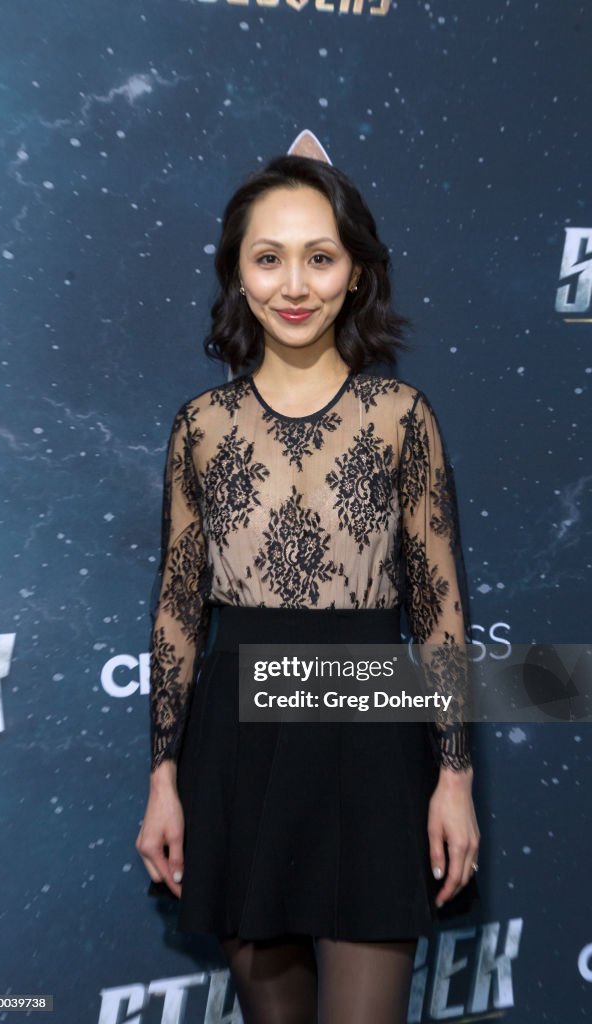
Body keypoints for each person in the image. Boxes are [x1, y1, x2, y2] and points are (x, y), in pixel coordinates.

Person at [136, 153, 481, 1024]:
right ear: (237, 272)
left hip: (369, 731)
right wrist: (164, 778)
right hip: (238, 747)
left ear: (355, 270)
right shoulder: (200, 428)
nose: (295, 284)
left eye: (319, 257)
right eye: (268, 257)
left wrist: (453, 777)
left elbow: (438, 609)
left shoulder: (404, 418)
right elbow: (179, 613)